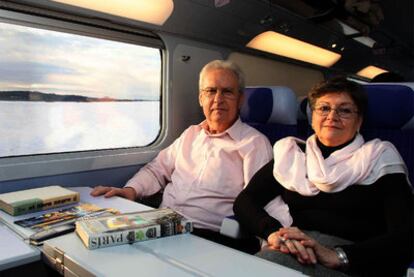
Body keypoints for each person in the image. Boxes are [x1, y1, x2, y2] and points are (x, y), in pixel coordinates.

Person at [234, 77, 413, 276]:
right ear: (312, 118)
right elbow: (245, 201)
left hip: (357, 260)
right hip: (298, 249)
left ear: (359, 121)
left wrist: (338, 256)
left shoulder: (379, 159)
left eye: (344, 110)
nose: (332, 116)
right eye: (324, 108)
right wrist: (274, 233)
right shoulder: (293, 155)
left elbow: (404, 235)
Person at [91, 60, 273, 253]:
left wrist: (270, 244)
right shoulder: (191, 134)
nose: (218, 99)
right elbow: (157, 170)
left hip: (209, 237)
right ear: (201, 98)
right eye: (211, 91)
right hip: (160, 223)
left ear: (240, 99)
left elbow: (261, 202)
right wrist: (130, 191)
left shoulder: (254, 143)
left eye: (227, 91)